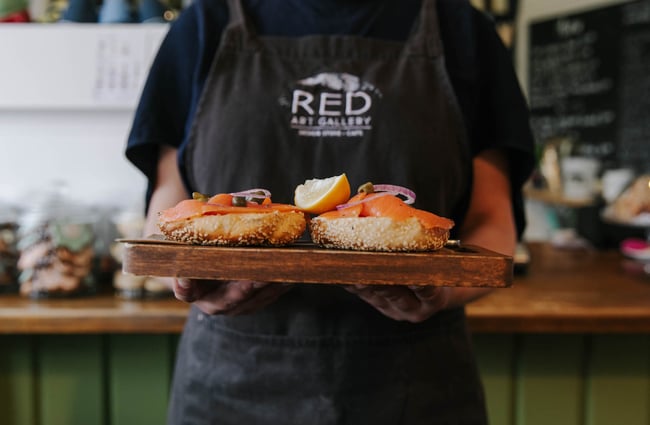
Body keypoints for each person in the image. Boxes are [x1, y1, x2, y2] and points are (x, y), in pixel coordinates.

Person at [125, 0, 535, 423]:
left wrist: (448, 292)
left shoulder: (463, 29)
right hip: (230, 381)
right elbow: (169, 206)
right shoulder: (203, 25)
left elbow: (493, 220)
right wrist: (186, 276)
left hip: (417, 385)